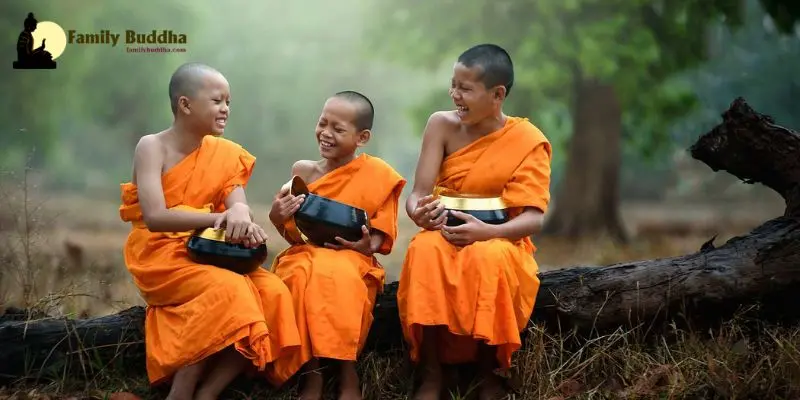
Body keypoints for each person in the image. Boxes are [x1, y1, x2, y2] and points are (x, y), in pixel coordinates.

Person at [119, 62, 301, 400]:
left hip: (211, 251)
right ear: (186, 104)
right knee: (231, 289)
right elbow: (155, 216)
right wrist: (215, 219)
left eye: (229, 102)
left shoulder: (224, 153)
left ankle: (210, 392)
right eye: (217, 101)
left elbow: (237, 202)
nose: (226, 109)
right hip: (160, 255)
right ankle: (182, 391)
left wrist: (242, 216)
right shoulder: (152, 147)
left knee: (273, 291)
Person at [397, 44, 553, 400]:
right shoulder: (441, 125)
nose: (455, 95)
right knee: (424, 249)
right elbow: (418, 193)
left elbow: (533, 218)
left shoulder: (527, 141)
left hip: (501, 237)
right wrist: (418, 211)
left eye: (465, 89)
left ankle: (490, 370)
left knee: (489, 258)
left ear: (497, 94)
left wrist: (488, 233)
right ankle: (433, 371)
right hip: (445, 230)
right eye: (453, 85)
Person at [268, 91, 406, 400]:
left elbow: (381, 233)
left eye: (338, 129)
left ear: (363, 137)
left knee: (339, 277)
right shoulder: (302, 172)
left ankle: (346, 369)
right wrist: (277, 216)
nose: (326, 134)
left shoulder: (379, 175)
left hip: (352, 259)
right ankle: (311, 373)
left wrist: (363, 245)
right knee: (298, 276)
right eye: (322, 123)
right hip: (304, 254)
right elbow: (294, 233)